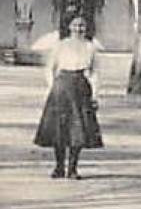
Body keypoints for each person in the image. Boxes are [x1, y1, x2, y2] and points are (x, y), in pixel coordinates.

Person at [34, 15, 104, 178]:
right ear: (69, 27)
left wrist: (95, 94)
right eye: (75, 25)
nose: (78, 29)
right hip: (62, 87)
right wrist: (54, 87)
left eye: (82, 26)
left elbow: (95, 73)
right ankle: (59, 167)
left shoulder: (90, 47)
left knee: (78, 129)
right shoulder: (61, 46)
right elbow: (50, 68)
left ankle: (72, 168)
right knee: (59, 128)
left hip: (81, 86)